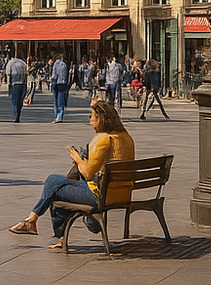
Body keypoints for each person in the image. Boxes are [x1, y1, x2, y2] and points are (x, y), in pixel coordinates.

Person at [8, 100, 133, 245]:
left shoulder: (103, 139)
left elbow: (87, 173)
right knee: (57, 185)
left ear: (100, 119)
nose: (90, 120)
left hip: (101, 196)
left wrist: (78, 159)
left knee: (53, 183)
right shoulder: (126, 138)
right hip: (123, 193)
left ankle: (42, 227)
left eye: (91, 116)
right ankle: (34, 221)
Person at [5, 52, 29, 123]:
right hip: (22, 84)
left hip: (14, 84)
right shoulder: (23, 63)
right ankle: (18, 115)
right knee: (20, 102)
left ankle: (15, 116)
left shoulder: (10, 63)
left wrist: (9, 85)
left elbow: (8, 74)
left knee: (14, 101)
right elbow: (26, 75)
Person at [50, 53, 70, 123]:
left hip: (55, 83)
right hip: (62, 84)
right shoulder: (64, 65)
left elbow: (54, 75)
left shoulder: (55, 64)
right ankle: (60, 116)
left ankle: (56, 115)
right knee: (61, 101)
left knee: (55, 101)